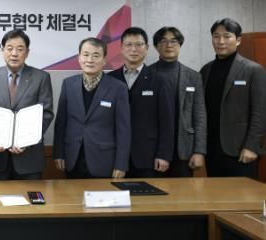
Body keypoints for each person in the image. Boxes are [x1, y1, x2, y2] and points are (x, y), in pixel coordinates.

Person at [0, 29, 54, 180]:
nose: (14, 53)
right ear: (2, 50)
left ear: (27, 52)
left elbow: (46, 113)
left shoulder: (41, 77)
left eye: (20, 49)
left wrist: (26, 141)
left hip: (29, 157)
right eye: (9, 48)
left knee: (30, 195)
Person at [53, 37, 131, 178]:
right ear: (79, 58)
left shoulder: (118, 88)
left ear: (104, 60)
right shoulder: (68, 84)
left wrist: (121, 164)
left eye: (96, 55)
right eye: (86, 54)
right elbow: (61, 123)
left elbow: (123, 130)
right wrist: (59, 153)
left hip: (103, 160)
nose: (90, 60)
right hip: (73, 158)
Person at [200, 18, 266, 178]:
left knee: (244, 193)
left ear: (238, 40)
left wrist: (251, 146)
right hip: (212, 149)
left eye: (227, 36)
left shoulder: (253, 70)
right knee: (215, 193)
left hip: (241, 150)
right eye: (216, 36)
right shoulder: (206, 70)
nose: (221, 41)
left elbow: (261, 112)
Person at [110, 27, 175, 178]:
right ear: (121, 48)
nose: (134, 49)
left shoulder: (159, 81)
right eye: (128, 44)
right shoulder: (110, 80)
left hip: (148, 157)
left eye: (139, 44)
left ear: (147, 48)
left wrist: (164, 154)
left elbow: (167, 121)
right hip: (114, 155)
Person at [149, 27, 206, 177]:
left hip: (184, 151)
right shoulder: (147, 75)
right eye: (163, 41)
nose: (169, 45)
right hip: (153, 151)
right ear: (156, 46)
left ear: (180, 44)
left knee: (183, 191)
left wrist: (199, 151)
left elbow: (199, 116)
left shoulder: (193, 77)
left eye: (174, 41)